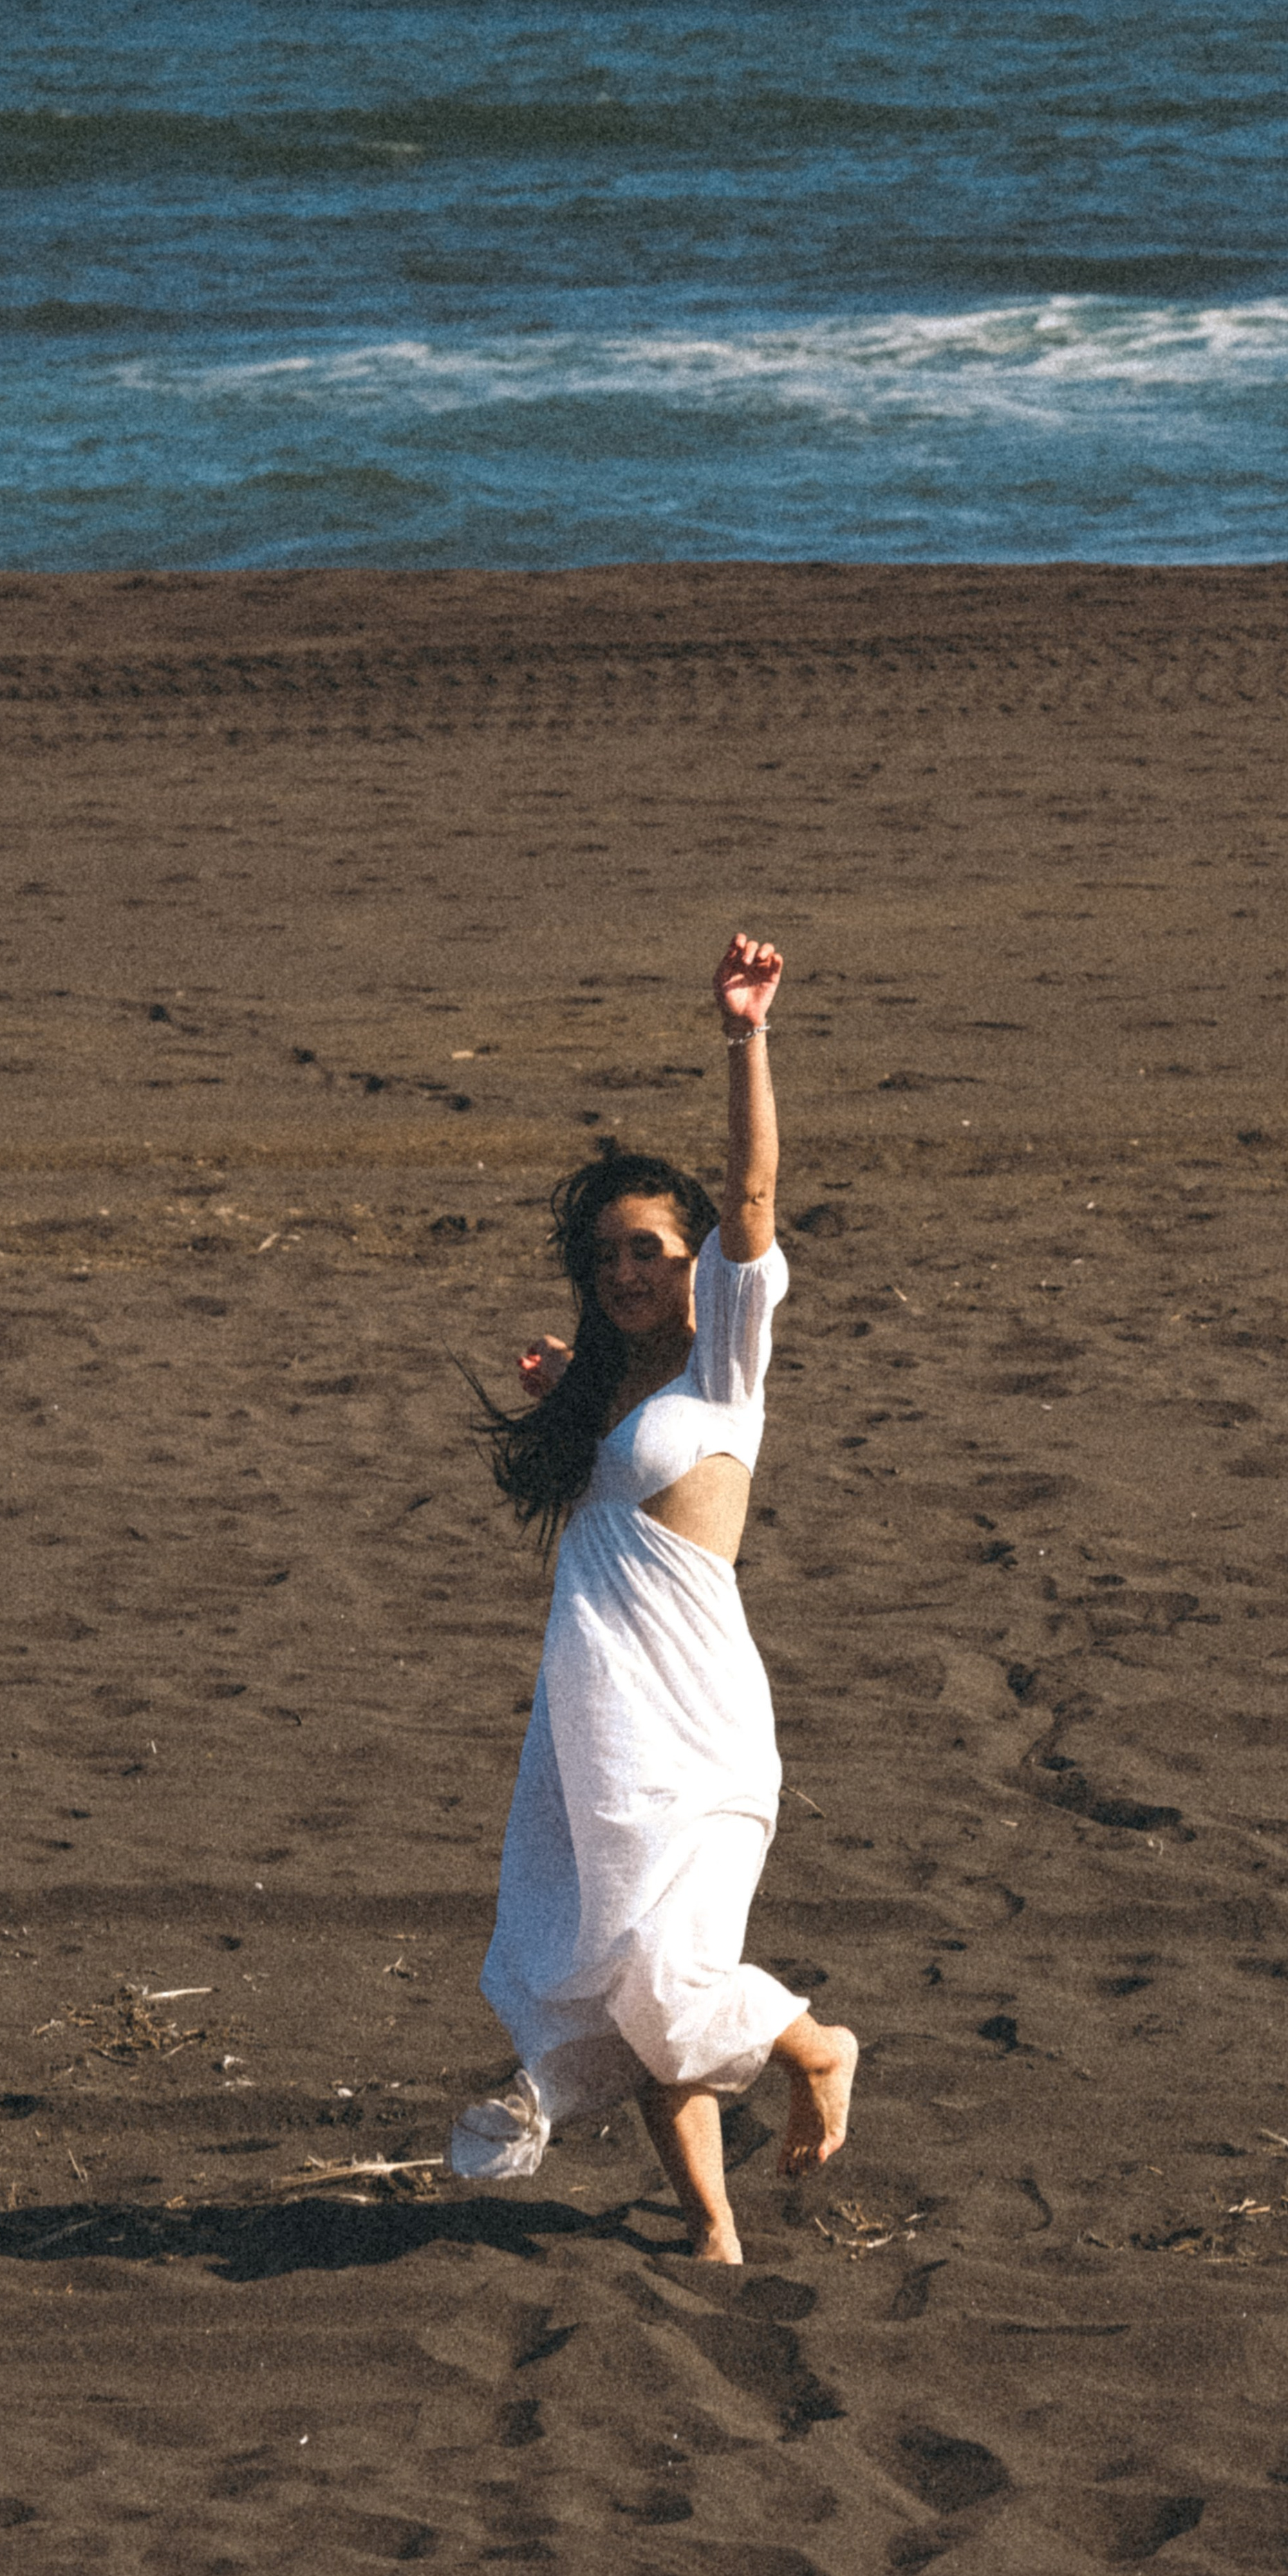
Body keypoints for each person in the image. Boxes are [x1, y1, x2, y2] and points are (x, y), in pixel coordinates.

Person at [451, 934, 857, 2264]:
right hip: (596, 1719)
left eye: (649, 1248)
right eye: (606, 1255)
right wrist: (564, 1385)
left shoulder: (728, 1361)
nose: (628, 1270)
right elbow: (611, 1485)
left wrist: (746, 1035)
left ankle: (816, 2044)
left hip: (697, 1716)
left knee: (676, 1971)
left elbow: (753, 1188)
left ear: (693, 1258)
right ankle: (714, 2237)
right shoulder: (608, 1388)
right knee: (628, 1984)